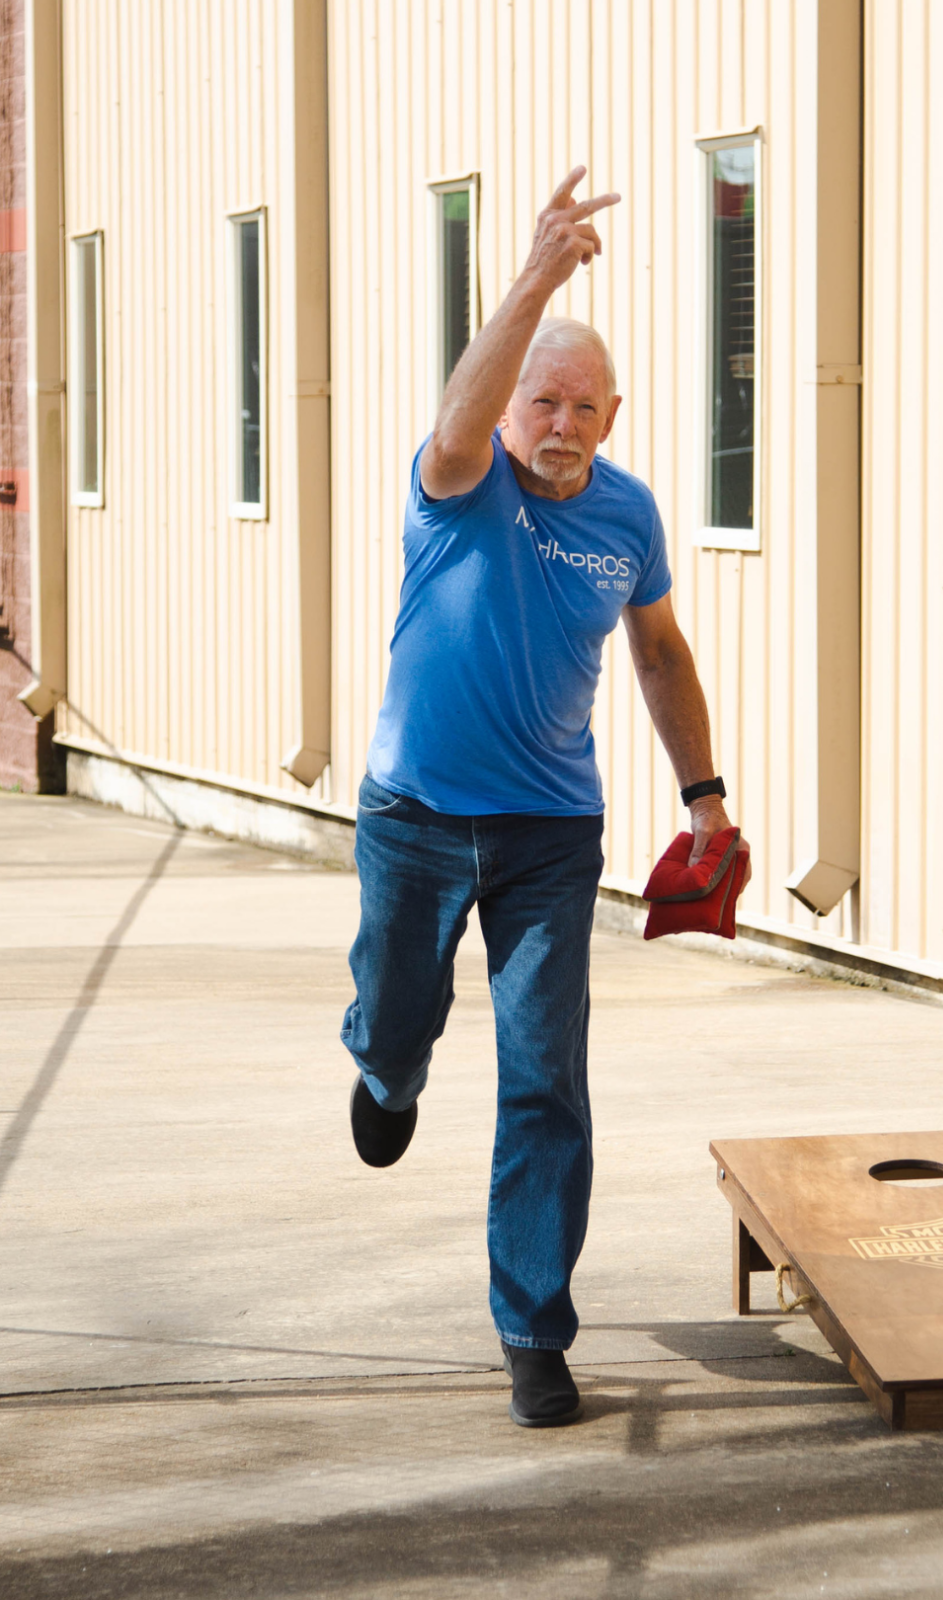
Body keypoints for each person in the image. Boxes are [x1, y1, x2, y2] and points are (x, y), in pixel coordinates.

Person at [340, 168, 739, 1427]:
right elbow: (458, 422)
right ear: (506, 401)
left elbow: (661, 654)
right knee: (403, 1009)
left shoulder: (628, 514)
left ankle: (531, 1325)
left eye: (582, 405)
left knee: (544, 1073)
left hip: (551, 836)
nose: (559, 422)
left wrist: (706, 797)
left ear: (611, 416)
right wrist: (537, 276)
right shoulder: (458, 483)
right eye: (540, 400)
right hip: (413, 816)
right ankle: (387, 1069)